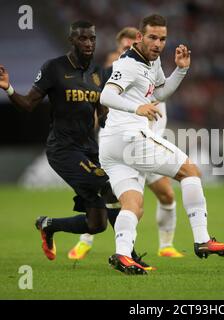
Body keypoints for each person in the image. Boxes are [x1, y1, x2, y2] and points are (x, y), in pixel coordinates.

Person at [0, 21, 151, 269]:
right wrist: (9, 88)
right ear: (72, 40)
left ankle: (48, 224)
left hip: (90, 150)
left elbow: (102, 115)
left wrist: (126, 133)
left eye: (92, 38)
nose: (89, 43)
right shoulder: (54, 68)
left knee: (96, 224)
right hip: (63, 150)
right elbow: (28, 104)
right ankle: (128, 255)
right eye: (83, 39)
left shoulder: (98, 73)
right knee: (110, 187)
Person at [99, 14, 224, 275]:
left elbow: (159, 93)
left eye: (162, 39)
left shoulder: (152, 63)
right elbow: (107, 95)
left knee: (133, 205)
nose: (158, 43)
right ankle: (202, 240)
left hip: (112, 147)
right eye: (152, 37)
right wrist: (137, 107)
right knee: (191, 172)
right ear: (139, 37)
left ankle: (122, 255)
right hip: (130, 138)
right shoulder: (128, 63)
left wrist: (181, 70)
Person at [68, 27, 184, 260]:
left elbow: (161, 93)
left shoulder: (151, 71)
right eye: (123, 47)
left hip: (148, 144)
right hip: (122, 144)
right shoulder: (116, 74)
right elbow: (99, 104)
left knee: (166, 196)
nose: (128, 50)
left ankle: (165, 245)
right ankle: (87, 241)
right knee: (111, 198)